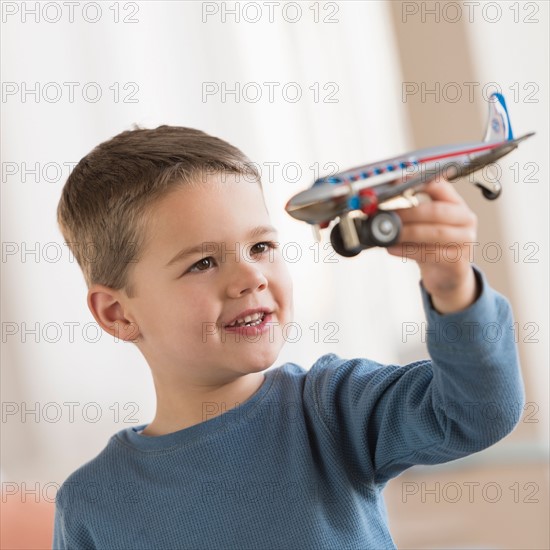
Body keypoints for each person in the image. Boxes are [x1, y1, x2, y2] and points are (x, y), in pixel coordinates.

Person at [52, 126, 524, 549]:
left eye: (260, 247)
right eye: (202, 263)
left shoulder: (332, 407)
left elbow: (480, 412)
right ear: (117, 314)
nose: (251, 276)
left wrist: (453, 289)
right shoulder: (91, 504)